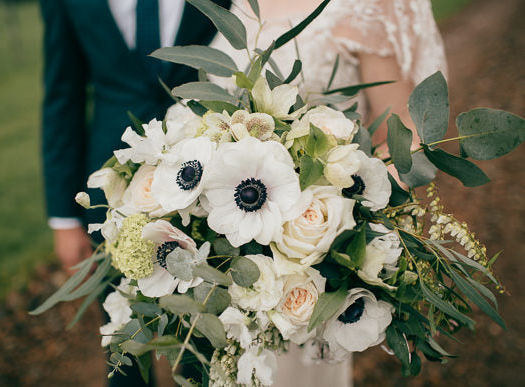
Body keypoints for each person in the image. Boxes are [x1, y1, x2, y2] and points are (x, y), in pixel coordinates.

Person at [209, 0, 447, 386]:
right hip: (228, 255)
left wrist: (350, 223)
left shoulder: (364, 6)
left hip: (313, 261)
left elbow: (403, 131)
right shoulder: (230, 5)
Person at [40, 0, 230, 385]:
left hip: (211, 177)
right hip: (112, 193)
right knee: (124, 339)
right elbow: (63, 96)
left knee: (212, 335)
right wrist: (63, 218)